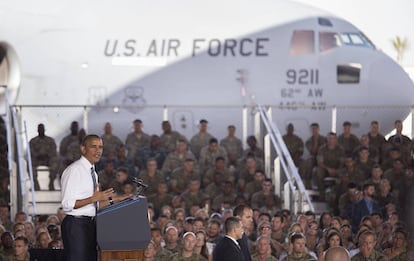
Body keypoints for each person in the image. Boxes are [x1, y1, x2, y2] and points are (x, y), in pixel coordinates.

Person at [61, 134, 132, 261]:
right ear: (83, 149)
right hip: (76, 225)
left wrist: (117, 199)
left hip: (90, 224)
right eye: (93, 146)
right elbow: (67, 204)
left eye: (100, 147)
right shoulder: (74, 170)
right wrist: (93, 198)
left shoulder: (93, 172)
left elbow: (94, 205)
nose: (98, 150)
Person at [29, 123, 59, 190]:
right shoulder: (33, 141)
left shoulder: (50, 140)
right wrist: (37, 155)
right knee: (30, 163)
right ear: (37, 130)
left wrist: (47, 155)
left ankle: (51, 182)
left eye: (42, 129)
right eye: (39, 129)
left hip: (48, 159)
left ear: (44, 130)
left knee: (55, 162)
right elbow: (30, 151)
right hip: (37, 159)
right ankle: (35, 184)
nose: (41, 131)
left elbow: (54, 151)